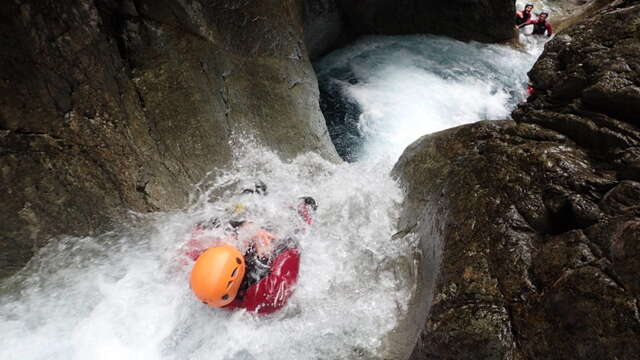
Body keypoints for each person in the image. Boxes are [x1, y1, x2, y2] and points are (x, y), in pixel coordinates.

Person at [187, 181, 317, 315]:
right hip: (261, 282)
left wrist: (242, 226)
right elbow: (292, 244)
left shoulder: (197, 274)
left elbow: (205, 225)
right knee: (279, 233)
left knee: (230, 226)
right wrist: (264, 255)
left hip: (225, 287)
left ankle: (252, 208)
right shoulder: (270, 293)